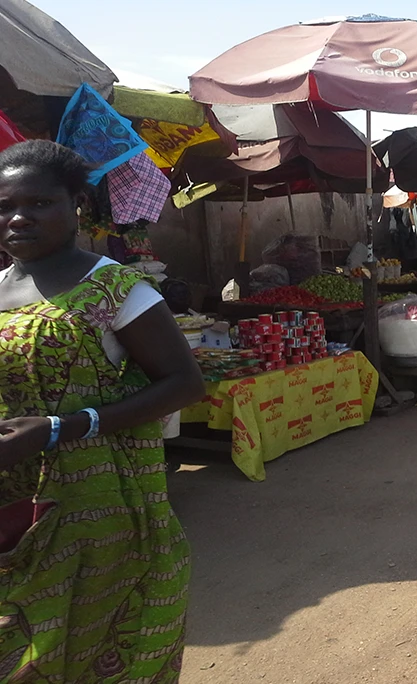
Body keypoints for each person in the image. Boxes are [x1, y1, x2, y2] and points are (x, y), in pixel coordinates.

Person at [0, 140, 205, 681]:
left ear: (77, 207)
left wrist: (59, 429)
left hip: (100, 508)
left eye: (39, 203)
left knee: (96, 651)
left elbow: (184, 383)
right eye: (4, 205)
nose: (18, 217)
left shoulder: (116, 289)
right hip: (15, 508)